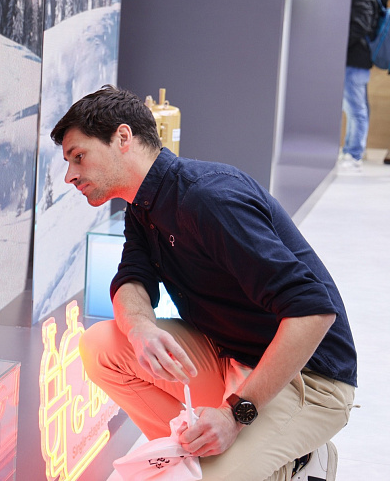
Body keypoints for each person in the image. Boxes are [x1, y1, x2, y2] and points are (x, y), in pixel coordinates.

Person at [51, 86, 357, 481]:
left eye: (78, 157)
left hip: (310, 377)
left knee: (210, 476)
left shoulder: (209, 198)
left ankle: (295, 461)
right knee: (100, 346)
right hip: (230, 354)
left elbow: (314, 312)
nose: (70, 176)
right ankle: (201, 455)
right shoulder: (142, 206)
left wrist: (235, 414)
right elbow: (132, 279)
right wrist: (140, 328)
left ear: (123, 138)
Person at [343, 0, 389, 170]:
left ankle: (354, 154)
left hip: (355, 59)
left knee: (356, 109)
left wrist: (339, 46)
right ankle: (352, 151)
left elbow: (359, 27)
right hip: (359, 59)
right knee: (357, 107)